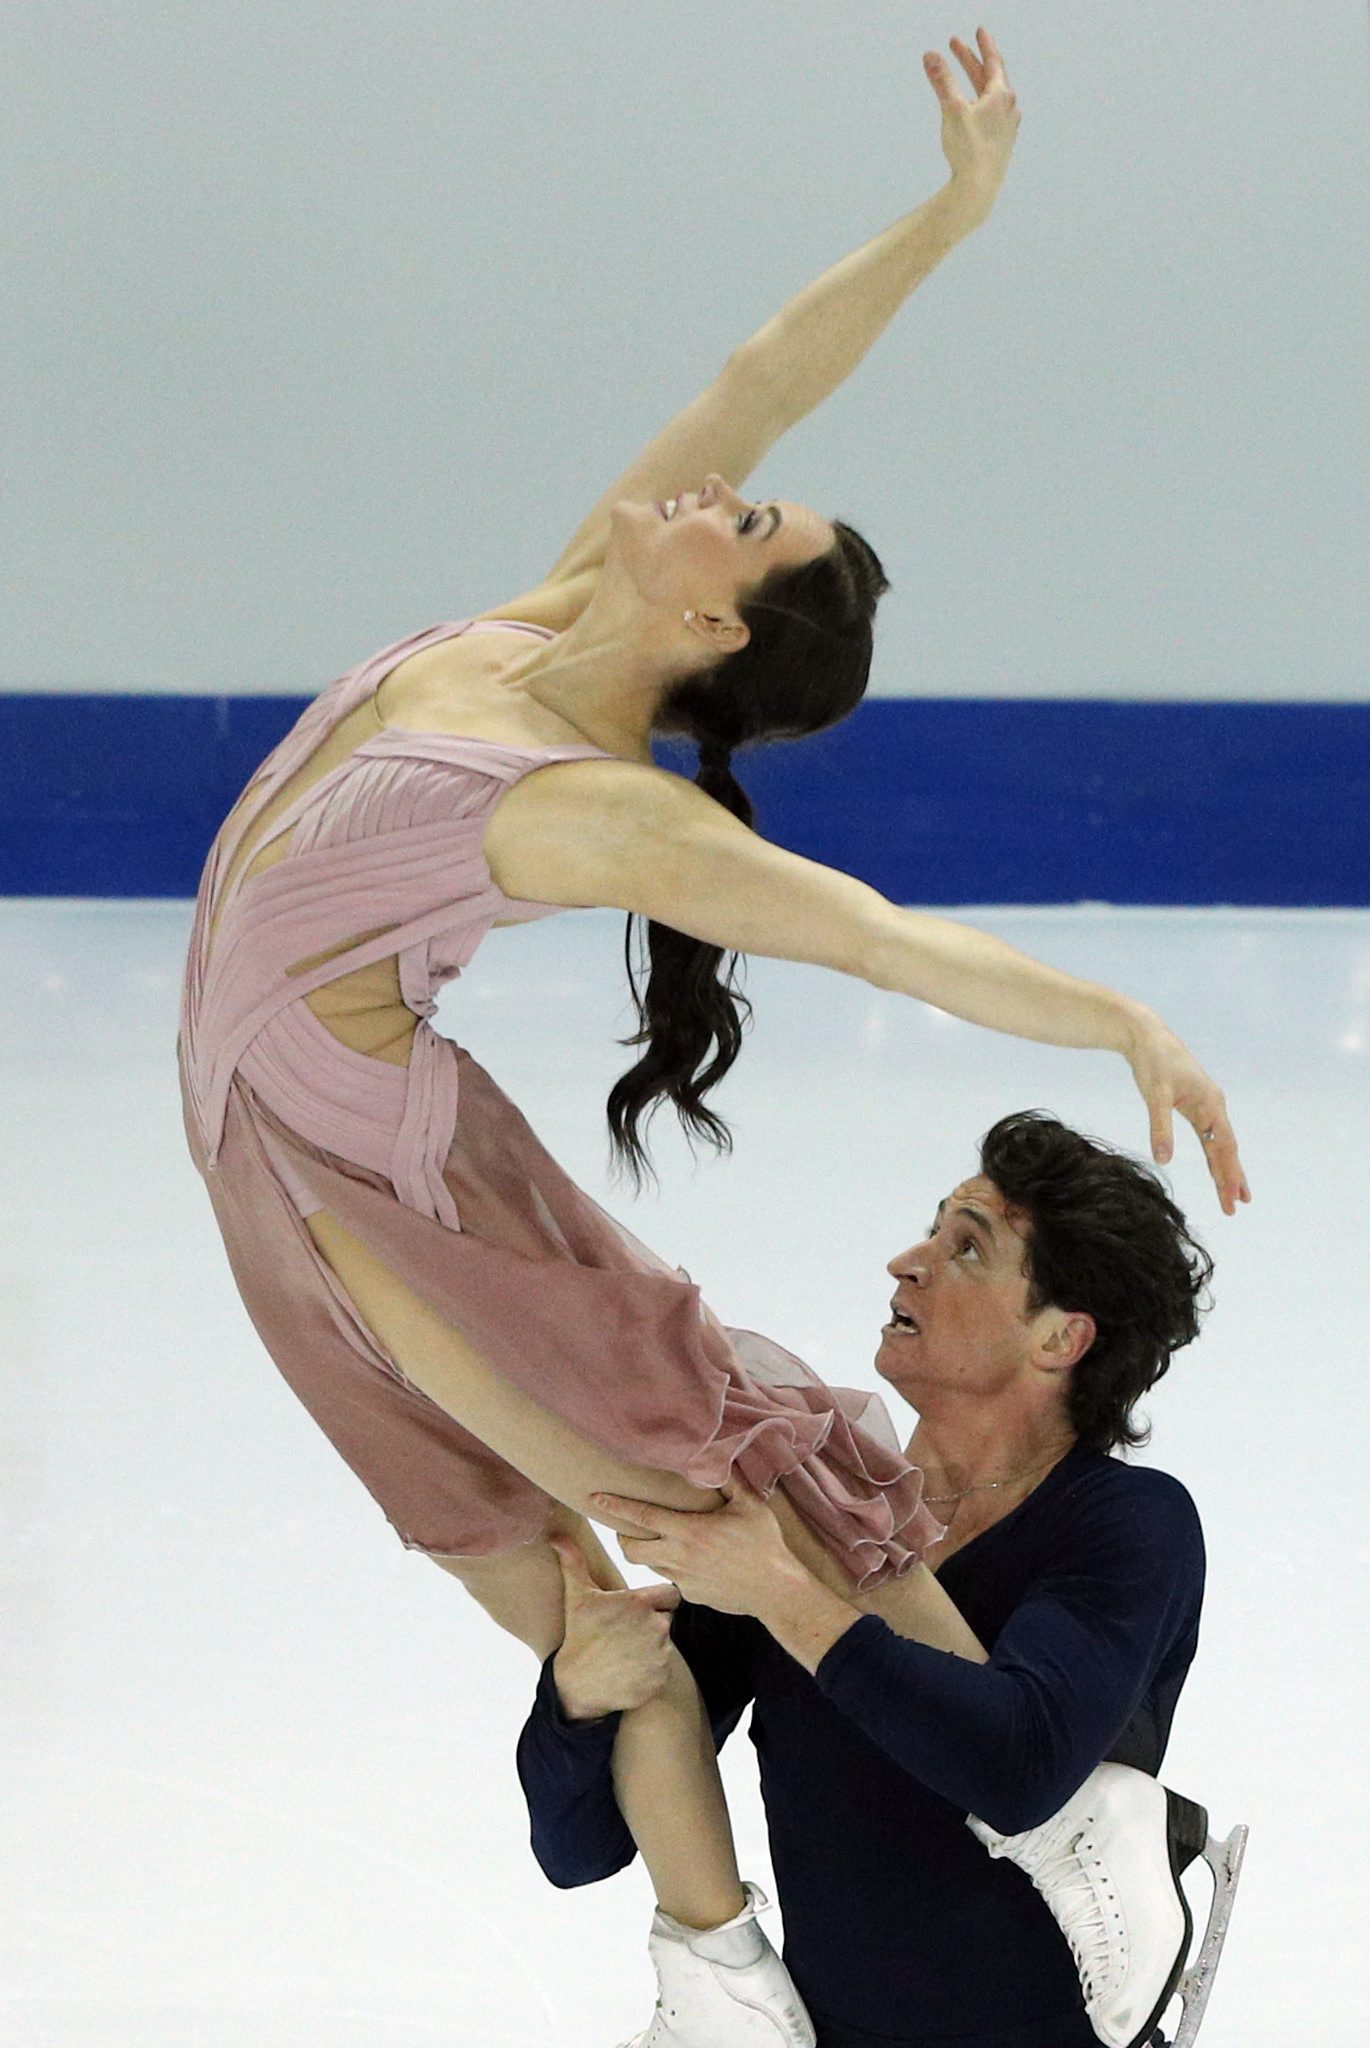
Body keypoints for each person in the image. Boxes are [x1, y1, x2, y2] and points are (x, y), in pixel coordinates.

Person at [176, 26, 1249, 2047]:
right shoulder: (555, 604)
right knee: (590, 1609)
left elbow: (874, 938)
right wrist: (947, 217)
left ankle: (1044, 1865)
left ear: (723, 627)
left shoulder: (593, 804)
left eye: (748, 529)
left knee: (697, 1492)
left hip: (376, 1183)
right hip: (262, 1150)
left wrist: (1111, 1005)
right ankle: (723, 1963)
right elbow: (768, 361)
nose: (720, 489)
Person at [517, 1113, 1224, 2048]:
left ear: (1059, 1339)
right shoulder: (802, 1518)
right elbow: (581, 1848)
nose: (907, 1259)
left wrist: (779, 1593)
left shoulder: (1126, 1527)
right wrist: (573, 1700)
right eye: (933, 1227)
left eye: (966, 1248)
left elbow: (1015, 1764)